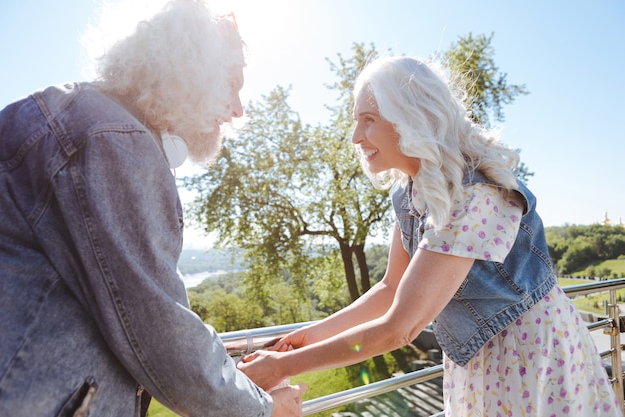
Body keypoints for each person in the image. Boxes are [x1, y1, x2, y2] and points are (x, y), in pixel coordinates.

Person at [237, 55, 623, 416]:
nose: (355, 136)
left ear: (409, 118)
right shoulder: (410, 192)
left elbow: (400, 327)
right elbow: (391, 288)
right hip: (478, 358)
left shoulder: (476, 195)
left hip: (527, 356)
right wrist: (309, 336)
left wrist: (282, 366)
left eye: (368, 119)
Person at [0, 1, 306, 416]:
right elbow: (159, 330)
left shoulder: (89, 121)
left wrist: (226, 371)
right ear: (189, 69)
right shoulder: (112, 139)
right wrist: (263, 411)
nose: (239, 109)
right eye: (231, 83)